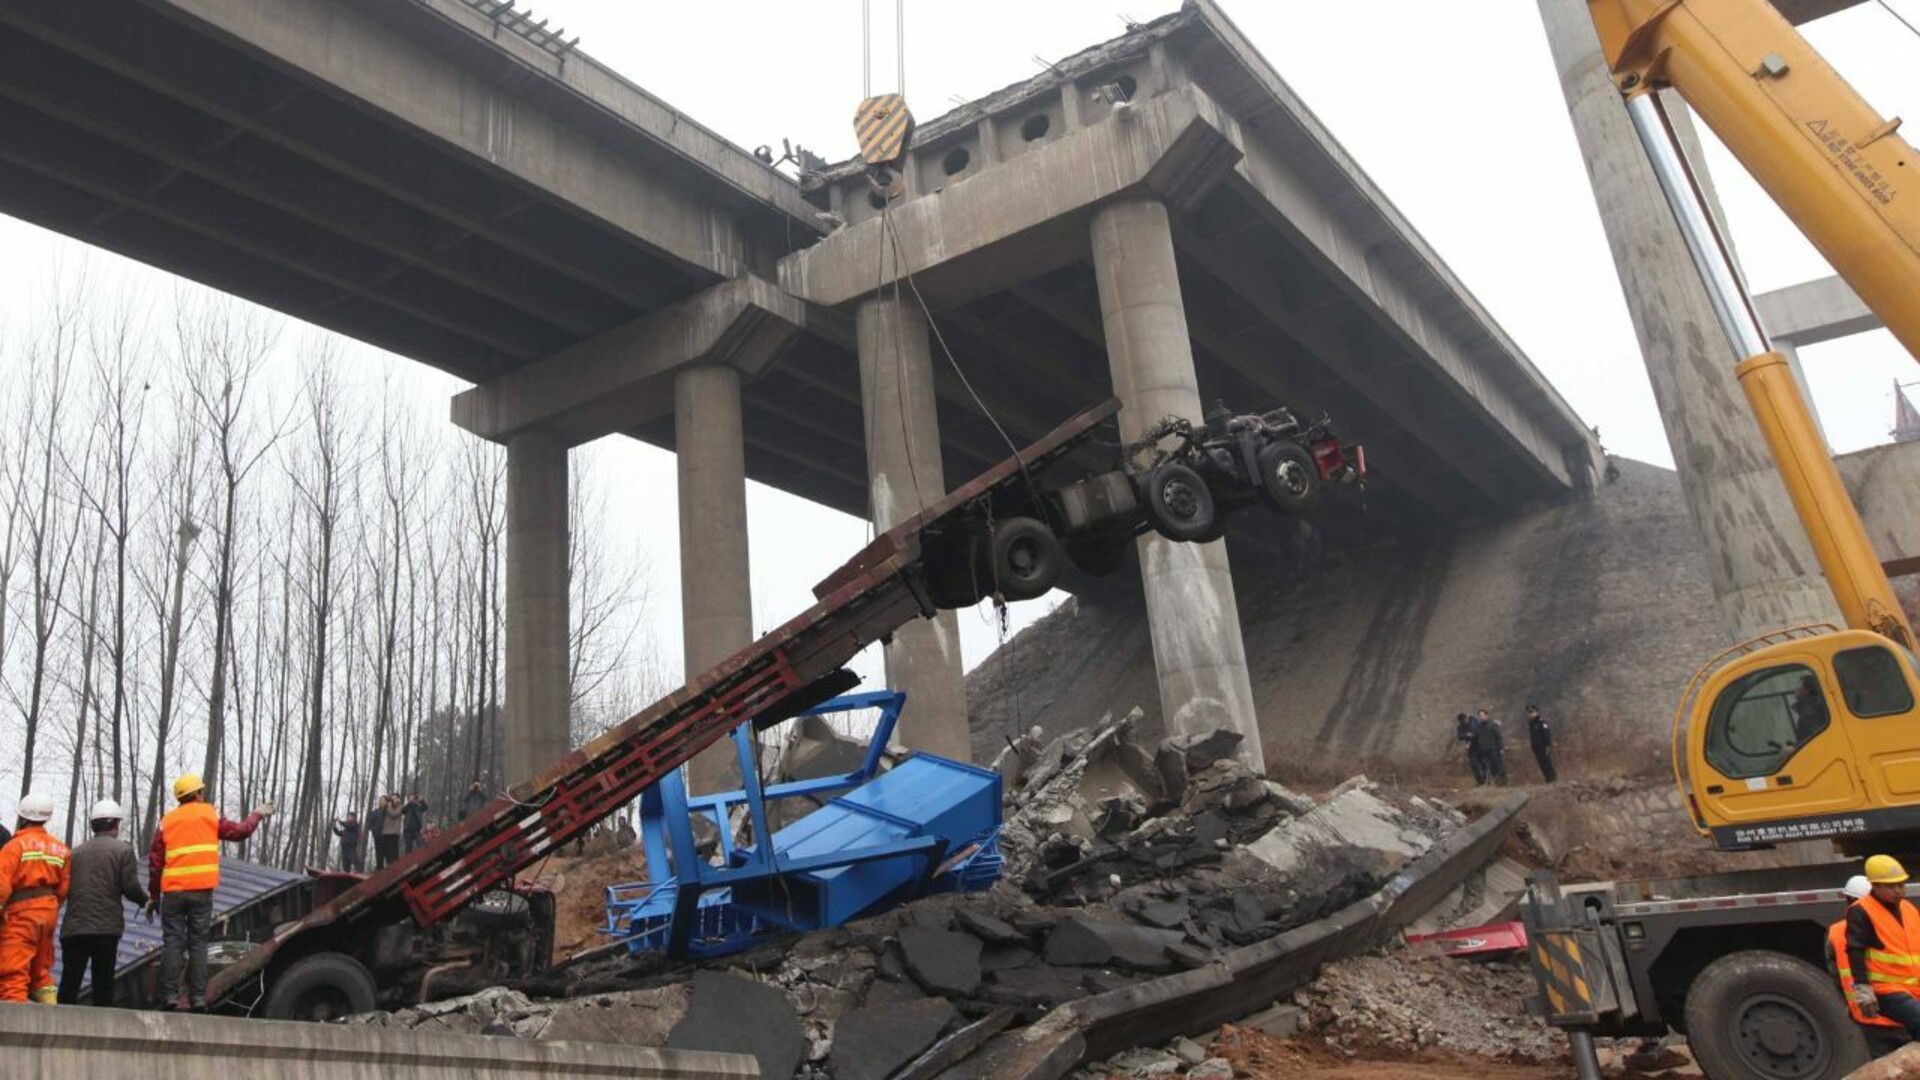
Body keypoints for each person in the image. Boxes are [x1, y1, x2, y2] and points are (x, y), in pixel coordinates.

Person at [148, 773, 271, 1012]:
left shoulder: (167, 822)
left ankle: (170, 996)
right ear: (197, 794)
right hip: (201, 892)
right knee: (198, 943)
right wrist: (257, 815)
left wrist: (153, 897)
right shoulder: (209, 814)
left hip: (173, 892)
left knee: (172, 942)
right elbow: (240, 832)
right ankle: (198, 998)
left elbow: (155, 863)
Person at [59, 799, 147, 1006]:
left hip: (74, 929)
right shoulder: (123, 851)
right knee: (103, 985)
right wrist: (146, 902)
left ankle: (60, 1029)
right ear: (115, 824)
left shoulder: (75, 853)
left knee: (69, 984)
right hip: (105, 930)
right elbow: (130, 887)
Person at [1829, 874, 1907, 1057]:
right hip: (1901, 1015)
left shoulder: (1835, 933)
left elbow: (1837, 978)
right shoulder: (1892, 926)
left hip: (1868, 1018)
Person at [0, 793, 68, 1003]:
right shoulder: (61, 849)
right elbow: (64, 889)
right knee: (40, 973)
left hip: (22, 914)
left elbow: (2, 882)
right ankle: (51, 1021)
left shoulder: (14, 847)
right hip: (47, 914)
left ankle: (15, 1029)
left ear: (22, 817)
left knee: (13, 972)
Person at [1847, 855, 1920, 1039]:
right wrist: (1863, 989)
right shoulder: (1861, 911)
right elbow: (1855, 950)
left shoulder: (1908, 908)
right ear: (1875, 886)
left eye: (1901, 885)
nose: (1898, 891)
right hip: (1887, 990)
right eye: (1890, 886)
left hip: (1915, 988)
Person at [1472, 709, 1507, 786]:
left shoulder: (1492, 724)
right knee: (1490, 767)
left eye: (1482, 715)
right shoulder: (1479, 727)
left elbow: (1498, 736)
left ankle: (1503, 782)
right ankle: (1497, 782)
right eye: (1479, 716)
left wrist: (1501, 747)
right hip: (1484, 750)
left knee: (1498, 765)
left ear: (1486, 715)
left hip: (1494, 749)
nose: (1481, 717)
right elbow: (1476, 736)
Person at [1794, 675, 1832, 744]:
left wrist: (1795, 748)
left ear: (1807, 690)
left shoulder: (1809, 712)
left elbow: (1814, 738)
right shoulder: (1812, 706)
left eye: (1799, 687)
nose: (1796, 689)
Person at [1525, 705, 1558, 784]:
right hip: (1536, 748)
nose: (1530, 715)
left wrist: (1548, 746)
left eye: (1532, 712)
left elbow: (1547, 735)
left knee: (1547, 763)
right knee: (1542, 764)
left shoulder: (1542, 722)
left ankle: (1553, 779)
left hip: (1544, 747)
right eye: (1529, 713)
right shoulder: (1531, 724)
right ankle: (1548, 780)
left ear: (1537, 712)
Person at [1455, 713, 1487, 785]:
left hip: (1480, 745)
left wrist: (1473, 734)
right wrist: (1466, 735)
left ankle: (1486, 779)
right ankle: (1479, 781)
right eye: (1462, 721)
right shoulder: (1460, 727)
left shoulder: (1475, 722)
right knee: (1474, 765)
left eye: (1464, 720)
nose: (1464, 722)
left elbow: (1481, 731)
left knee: (1484, 763)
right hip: (1471, 748)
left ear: (1467, 718)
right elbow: (1459, 736)